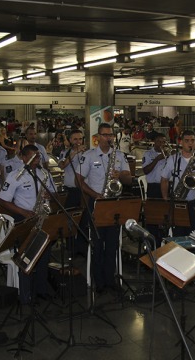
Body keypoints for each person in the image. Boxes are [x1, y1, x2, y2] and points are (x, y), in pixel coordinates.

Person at [77, 123, 133, 291]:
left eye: (110, 135)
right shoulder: (88, 156)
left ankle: (110, 279)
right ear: (98, 137)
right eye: (105, 135)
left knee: (112, 245)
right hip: (97, 203)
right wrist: (95, 195)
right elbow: (78, 181)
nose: (108, 138)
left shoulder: (119, 156)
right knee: (97, 244)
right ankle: (98, 281)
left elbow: (129, 180)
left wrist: (121, 175)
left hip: (114, 203)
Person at [0, 145, 57, 303]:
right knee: (26, 257)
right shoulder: (15, 176)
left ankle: (41, 290)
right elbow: (3, 200)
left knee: (44, 256)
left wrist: (48, 195)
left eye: (37, 157)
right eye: (32, 157)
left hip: (42, 218)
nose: (36, 160)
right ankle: (26, 295)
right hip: (25, 219)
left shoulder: (44, 173)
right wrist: (22, 212)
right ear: (23, 158)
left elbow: (54, 192)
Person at [160, 130, 195, 234]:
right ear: (181, 142)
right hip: (178, 202)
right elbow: (164, 179)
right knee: (178, 234)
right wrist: (165, 199)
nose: (190, 143)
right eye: (187, 141)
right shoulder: (173, 159)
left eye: (192, 140)